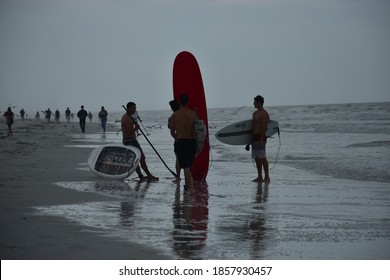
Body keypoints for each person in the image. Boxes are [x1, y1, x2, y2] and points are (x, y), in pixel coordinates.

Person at [121, 102, 159, 181]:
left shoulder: (129, 117)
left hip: (129, 140)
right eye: (133, 108)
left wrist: (135, 124)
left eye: (135, 108)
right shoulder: (126, 118)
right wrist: (136, 127)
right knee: (141, 158)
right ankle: (149, 175)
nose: (135, 110)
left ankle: (141, 176)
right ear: (128, 108)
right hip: (130, 141)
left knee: (136, 159)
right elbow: (128, 131)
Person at [169, 94, 197, 193]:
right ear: (188, 102)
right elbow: (198, 130)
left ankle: (190, 188)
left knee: (185, 166)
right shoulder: (193, 114)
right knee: (189, 165)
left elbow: (172, 131)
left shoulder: (174, 115)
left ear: (179, 103)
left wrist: (176, 138)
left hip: (181, 141)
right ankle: (189, 186)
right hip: (192, 142)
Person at [251, 95, 270, 183]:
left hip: (260, 137)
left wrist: (261, 138)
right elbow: (252, 127)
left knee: (262, 157)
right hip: (254, 137)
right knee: (256, 158)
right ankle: (259, 177)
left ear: (259, 102)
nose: (253, 103)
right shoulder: (254, 113)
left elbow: (264, 127)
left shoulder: (264, 114)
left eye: (255, 102)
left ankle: (267, 177)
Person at [168, 99, 181, 182]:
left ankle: (178, 177)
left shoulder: (172, 117)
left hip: (178, 139)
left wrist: (176, 138)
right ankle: (190, 177)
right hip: (188, 139)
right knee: (189, 159)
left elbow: (170, 129)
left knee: (178, 160)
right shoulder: (187, 114)